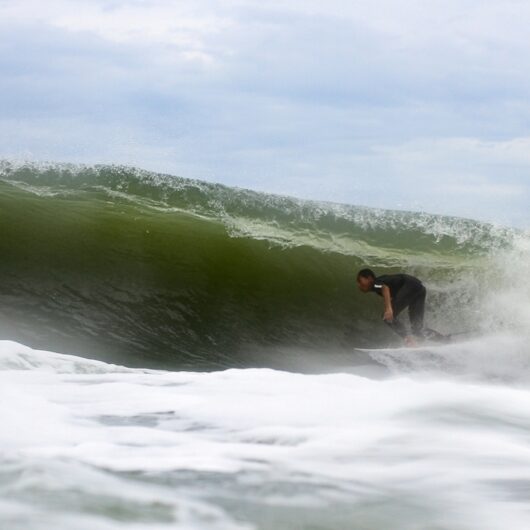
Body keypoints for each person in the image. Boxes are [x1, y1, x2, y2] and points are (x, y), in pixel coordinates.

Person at [356, 268, 445, 346]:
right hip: (419, 288)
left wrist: (389, 309)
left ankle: (409, 339)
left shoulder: (375, 283)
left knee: (386, 316)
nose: (359, 285)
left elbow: (384, 288)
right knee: (417, 328)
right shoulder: (379, 283)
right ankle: (444, 340)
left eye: (360, 281)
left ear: (369, 278)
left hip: (410, 286)